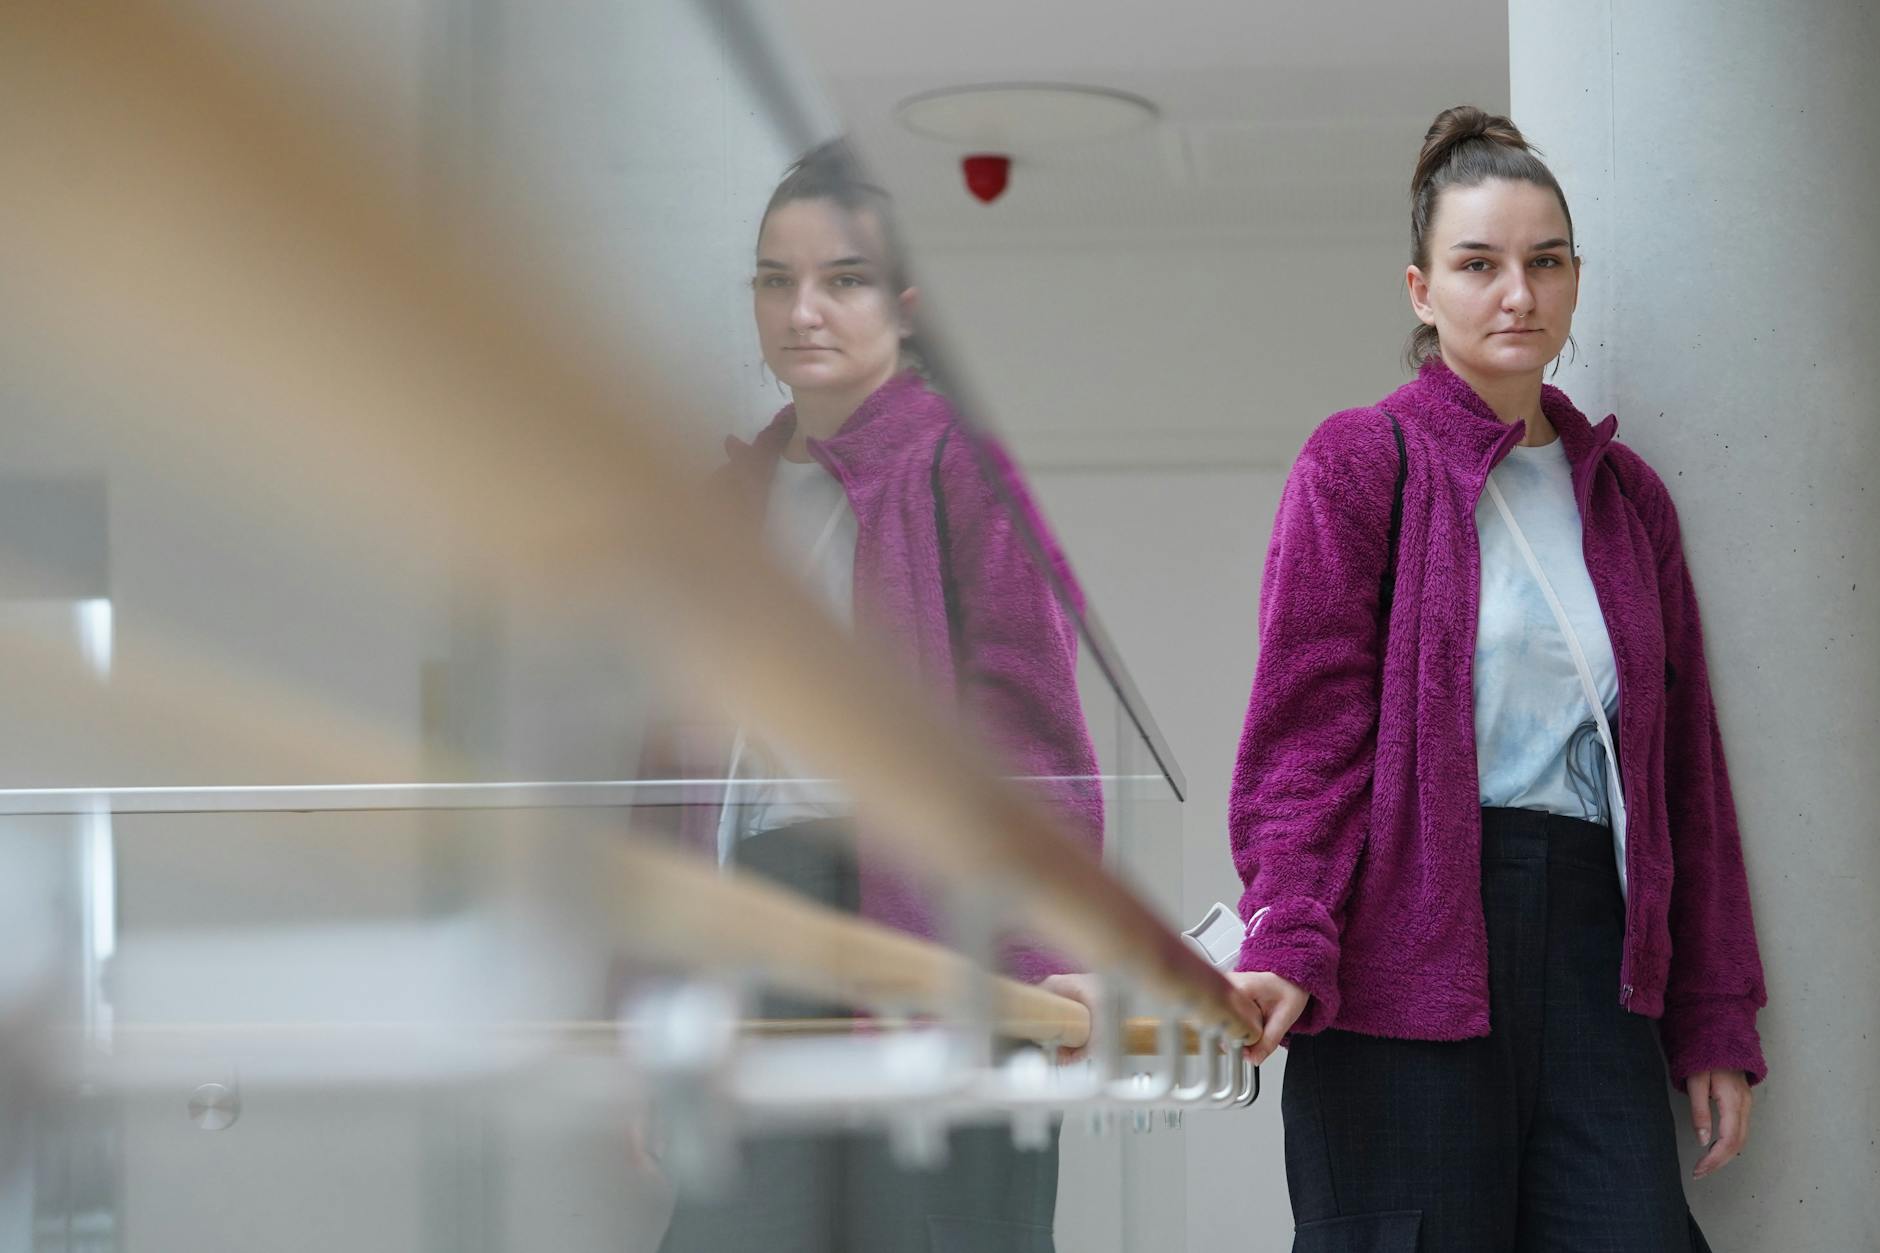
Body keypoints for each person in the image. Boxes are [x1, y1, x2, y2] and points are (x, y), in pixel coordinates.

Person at [1225, 106, 1767, 1252]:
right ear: (1420, 289)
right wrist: (1286, 930)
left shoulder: (1623, 499)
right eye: (1478, 264)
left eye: (1543, 262)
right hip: (1399, 951)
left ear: (1573, 281)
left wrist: (1713, 1014)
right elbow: (1302, 734)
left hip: (1590, 949)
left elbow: (1684, 778)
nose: (1515, 292)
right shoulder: (1361, 459)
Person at [654, 138, 1102, 1253]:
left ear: (903, 304)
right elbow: (662, 770)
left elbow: (1031, 725)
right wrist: (649, 1003)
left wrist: (1043, 962)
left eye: (842, 278)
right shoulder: (729, 497)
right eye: (775, 278)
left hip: (920, 916)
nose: (803, 309)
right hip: (755, 907)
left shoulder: (958, 465)